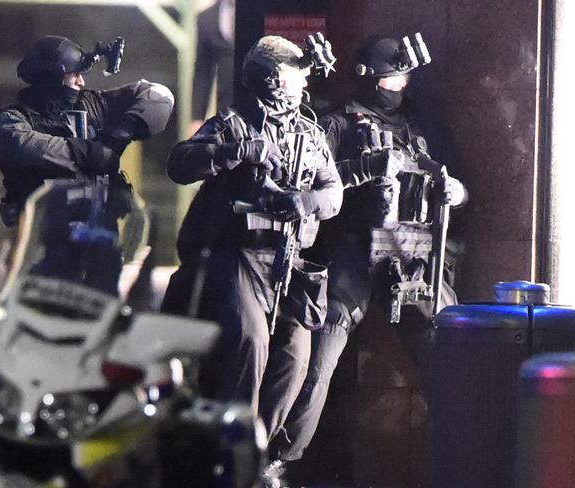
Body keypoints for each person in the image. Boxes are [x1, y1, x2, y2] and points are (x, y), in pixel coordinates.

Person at [268, 35, 468, 482]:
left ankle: (467, 456)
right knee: (318, 361)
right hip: (356, 252)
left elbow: (458, 182)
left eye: (404, 77)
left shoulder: (422, 123)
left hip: (415, 253)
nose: (402, 84)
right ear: (372, 79)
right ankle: (280, 459)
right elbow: (315, 184)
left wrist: (453, 192)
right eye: (394, 77)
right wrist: (365, 177)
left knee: (452, 353)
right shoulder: (338, 124)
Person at [160, 35, 343, 485]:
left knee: (295, 357)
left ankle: (259, 455)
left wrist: (306, 202)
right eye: (294, 72)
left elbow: (333, 192)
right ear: (273, 78)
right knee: (250, 344)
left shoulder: (310, 131)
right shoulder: (234, 124)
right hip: (239, 256)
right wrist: (233, 153)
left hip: (289, 260)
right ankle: (229, 456)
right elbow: (180, 164)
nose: (303, 81)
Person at [0, 35, 175, 227]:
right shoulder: (12, 120)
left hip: (98, 236)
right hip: (41, 239)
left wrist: (122, 132)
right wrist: (89, 152)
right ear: (52, 79)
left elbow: (159, 95)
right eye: (74, 75)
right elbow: (25, 146)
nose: (81, 83)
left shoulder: (91, 105)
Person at [190, 0, 235, 135]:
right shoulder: (207, 17)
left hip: (263, 107)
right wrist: (197, 118)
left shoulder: (265, 10)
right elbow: (203, 72)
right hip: (226, 111)